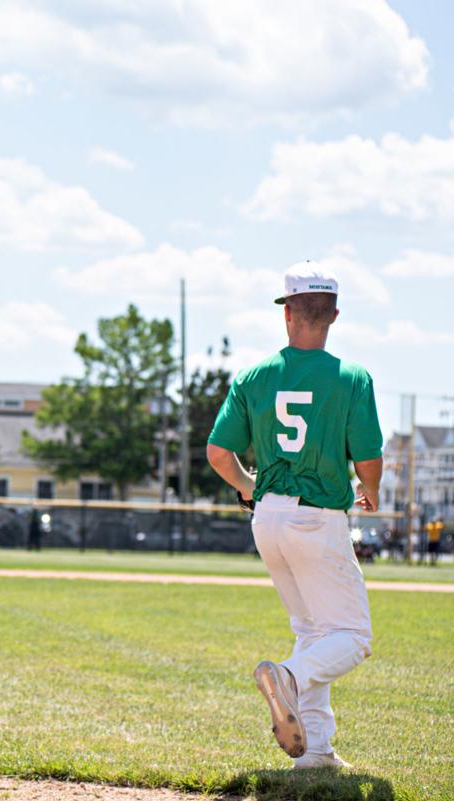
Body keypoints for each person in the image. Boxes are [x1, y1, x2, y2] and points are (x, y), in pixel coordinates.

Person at [206, 262, 382, 770]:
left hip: (269, 519)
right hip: (317, 519)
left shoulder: (254, 376)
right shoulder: (351, 377)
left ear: (288, 314)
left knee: (313, 633)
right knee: (352, 638)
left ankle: (318, 752)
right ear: (333, 315)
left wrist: (247, 489)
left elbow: (220, 453)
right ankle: (286, 677)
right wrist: (368, 491)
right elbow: (368, 457)